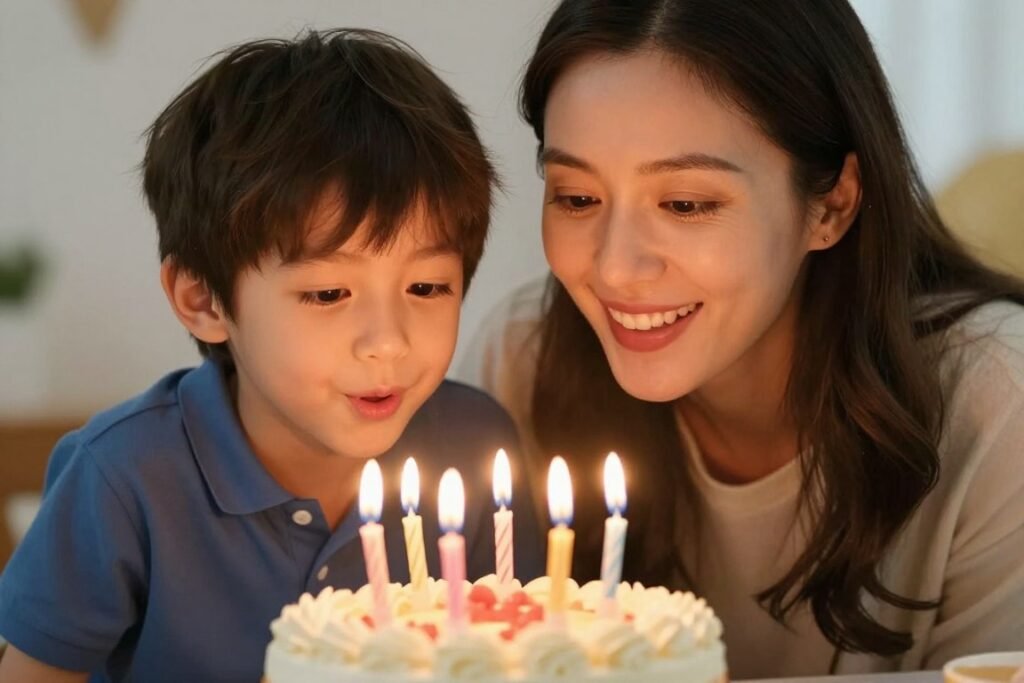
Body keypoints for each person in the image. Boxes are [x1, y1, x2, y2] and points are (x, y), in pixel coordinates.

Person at [462, 0, 1024, 678]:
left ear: (832, 204)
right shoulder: (526, 359)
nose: (614, 267)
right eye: (577, 197)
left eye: (687, 204)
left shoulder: (1000, 405)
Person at [0, 29, 541, 682]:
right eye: (328, 292)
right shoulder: (122, 478)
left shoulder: (473, 448)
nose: (388, 340)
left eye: (426, 286)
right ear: (204, 299)